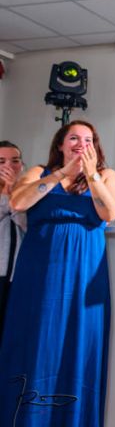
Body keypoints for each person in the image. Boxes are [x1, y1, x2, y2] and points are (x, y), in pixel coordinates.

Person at [0, 120, 115, 427]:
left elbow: (110, 212)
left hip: (85, 279)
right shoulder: (40, 172)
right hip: (39, 276)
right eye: (74, 138)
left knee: (79, 350)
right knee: (36, 347)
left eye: (88, 139)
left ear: (95, 146)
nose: (80, 144)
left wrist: (92, 174)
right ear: (61, 144)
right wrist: (61, 173)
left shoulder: (107, 176)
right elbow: (18, 202)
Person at [0, 141, 25, 342]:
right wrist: (7, 196)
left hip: (18, 273)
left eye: (15, 161)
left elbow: (27, 224)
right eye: (1, 161)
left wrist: (14, 193)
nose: (9, 167)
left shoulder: (31, 193)